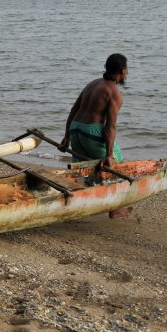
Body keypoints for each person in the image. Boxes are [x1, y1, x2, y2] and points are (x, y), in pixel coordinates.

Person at [59, 53, 132, 218]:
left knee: (83, 167)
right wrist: (109, 154)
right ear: (121, 70)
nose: (127, 73)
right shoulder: (114, 93)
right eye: (127, 69)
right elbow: (110, 127)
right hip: (90, 132)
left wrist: (67, 137)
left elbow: (73, 110)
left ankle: (75, 204)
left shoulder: (92, 84)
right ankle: (116, 208)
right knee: (117, 164)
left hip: (76, 128)